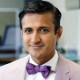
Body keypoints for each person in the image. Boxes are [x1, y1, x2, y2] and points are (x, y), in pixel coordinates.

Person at [0, 0, 80, 80]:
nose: (35, 40)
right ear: (22, 34)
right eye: (28, 30)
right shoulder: (3, 73)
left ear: (58, 33)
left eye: (43, 30)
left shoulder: (77, 74)